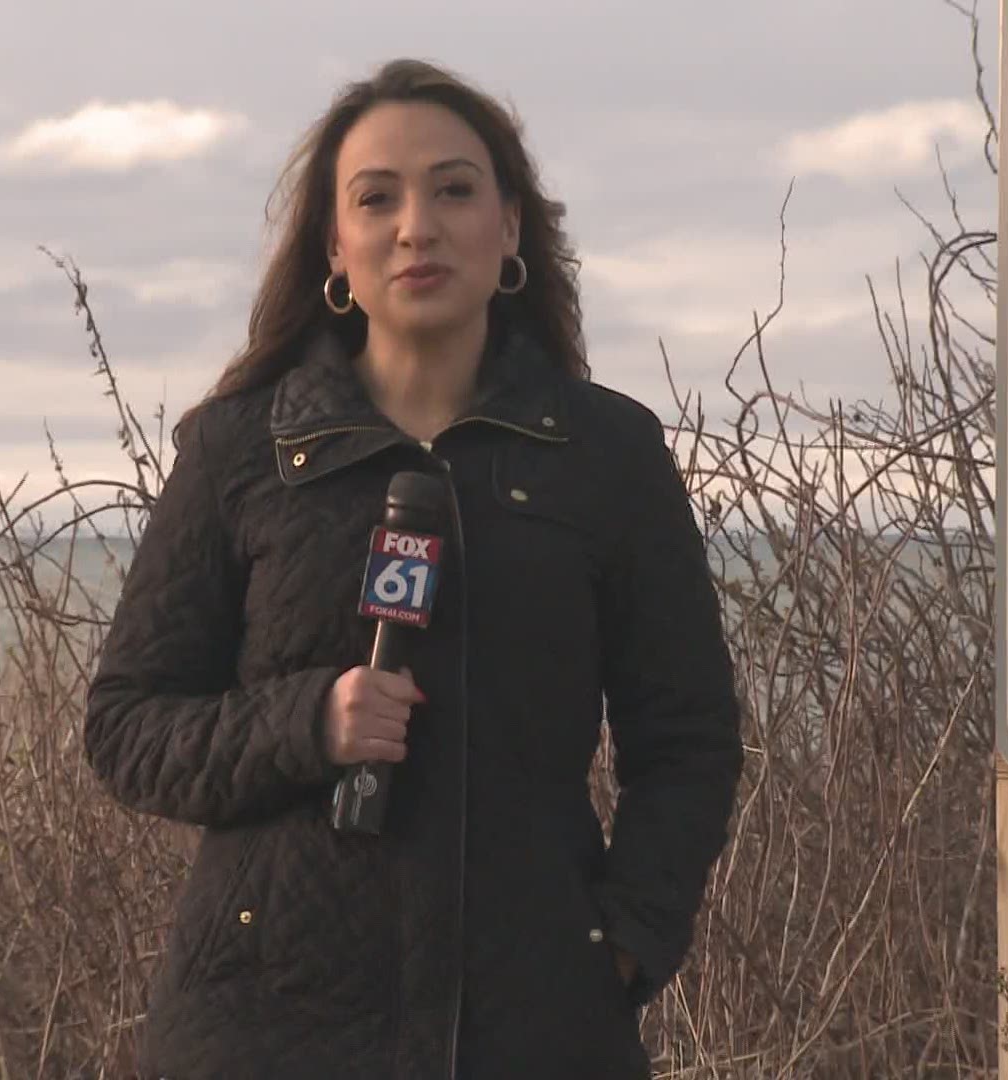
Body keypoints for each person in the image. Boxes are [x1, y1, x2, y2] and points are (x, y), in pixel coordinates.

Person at [84, 57, 743, 1080]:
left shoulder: (606, 455)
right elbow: (126, 725)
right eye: (376, 198)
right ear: (333, 249)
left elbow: (689, 736)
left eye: (453, 189)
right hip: (265, 1029)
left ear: (511, 228)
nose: (416, 227)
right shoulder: (239, 453)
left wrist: (623, 944)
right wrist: (310, 720)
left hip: (533, 1023)